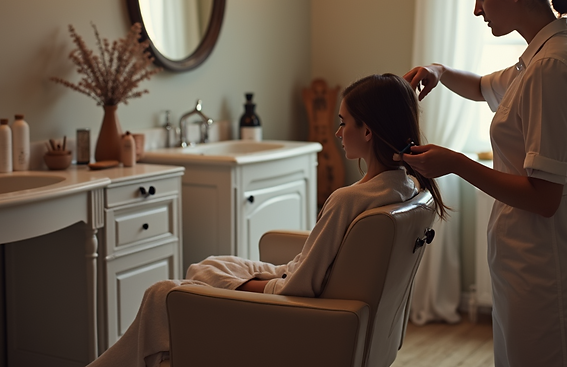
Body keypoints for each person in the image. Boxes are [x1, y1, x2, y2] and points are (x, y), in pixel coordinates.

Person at [88, 73, 448, 367]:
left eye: (344, 123)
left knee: (166, 292)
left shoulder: (347, 199)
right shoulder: (406, 188)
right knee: (209, 266)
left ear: (367, 131)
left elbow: (299, 287)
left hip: (299, 312)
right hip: (310, 293)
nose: (338, 133)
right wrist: (250, 277)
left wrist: (244, 286)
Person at [402, 0, 567, 366]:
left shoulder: (550, 66)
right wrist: (437, 70)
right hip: (528, 254)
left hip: (546, 258)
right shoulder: (541, 53)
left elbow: (543, 198)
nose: (476, 9)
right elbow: (478, 86)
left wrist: (455, 163)